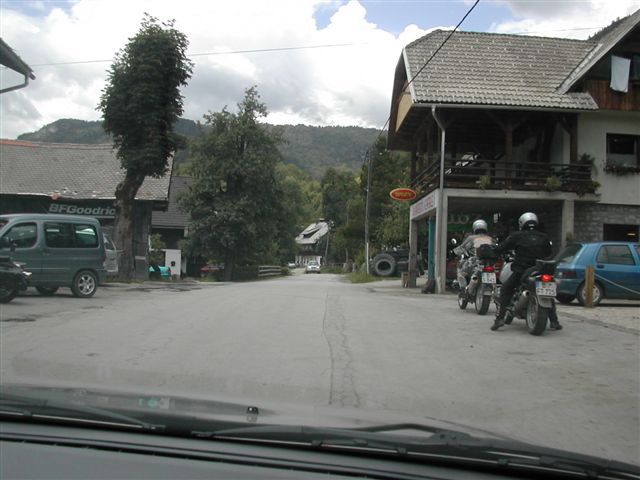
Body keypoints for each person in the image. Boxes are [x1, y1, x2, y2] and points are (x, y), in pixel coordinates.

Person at [491, 212, 562, 331]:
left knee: (506, 289)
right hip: (540, 269)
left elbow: (502, 247)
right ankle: (554, 321)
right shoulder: (543, 237)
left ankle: (500, 318)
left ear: (522, 223)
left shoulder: (517, 236)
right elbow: (549, 252)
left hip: (522, 269)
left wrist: (495, 251)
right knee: (547, 291)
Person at [455, 219, 495, 290]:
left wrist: (456, 252)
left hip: (475, 262)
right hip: (489, 263)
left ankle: (463, 289)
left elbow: (461, 248)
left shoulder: (471, 238)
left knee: (461, 274)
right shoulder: (490, 239)